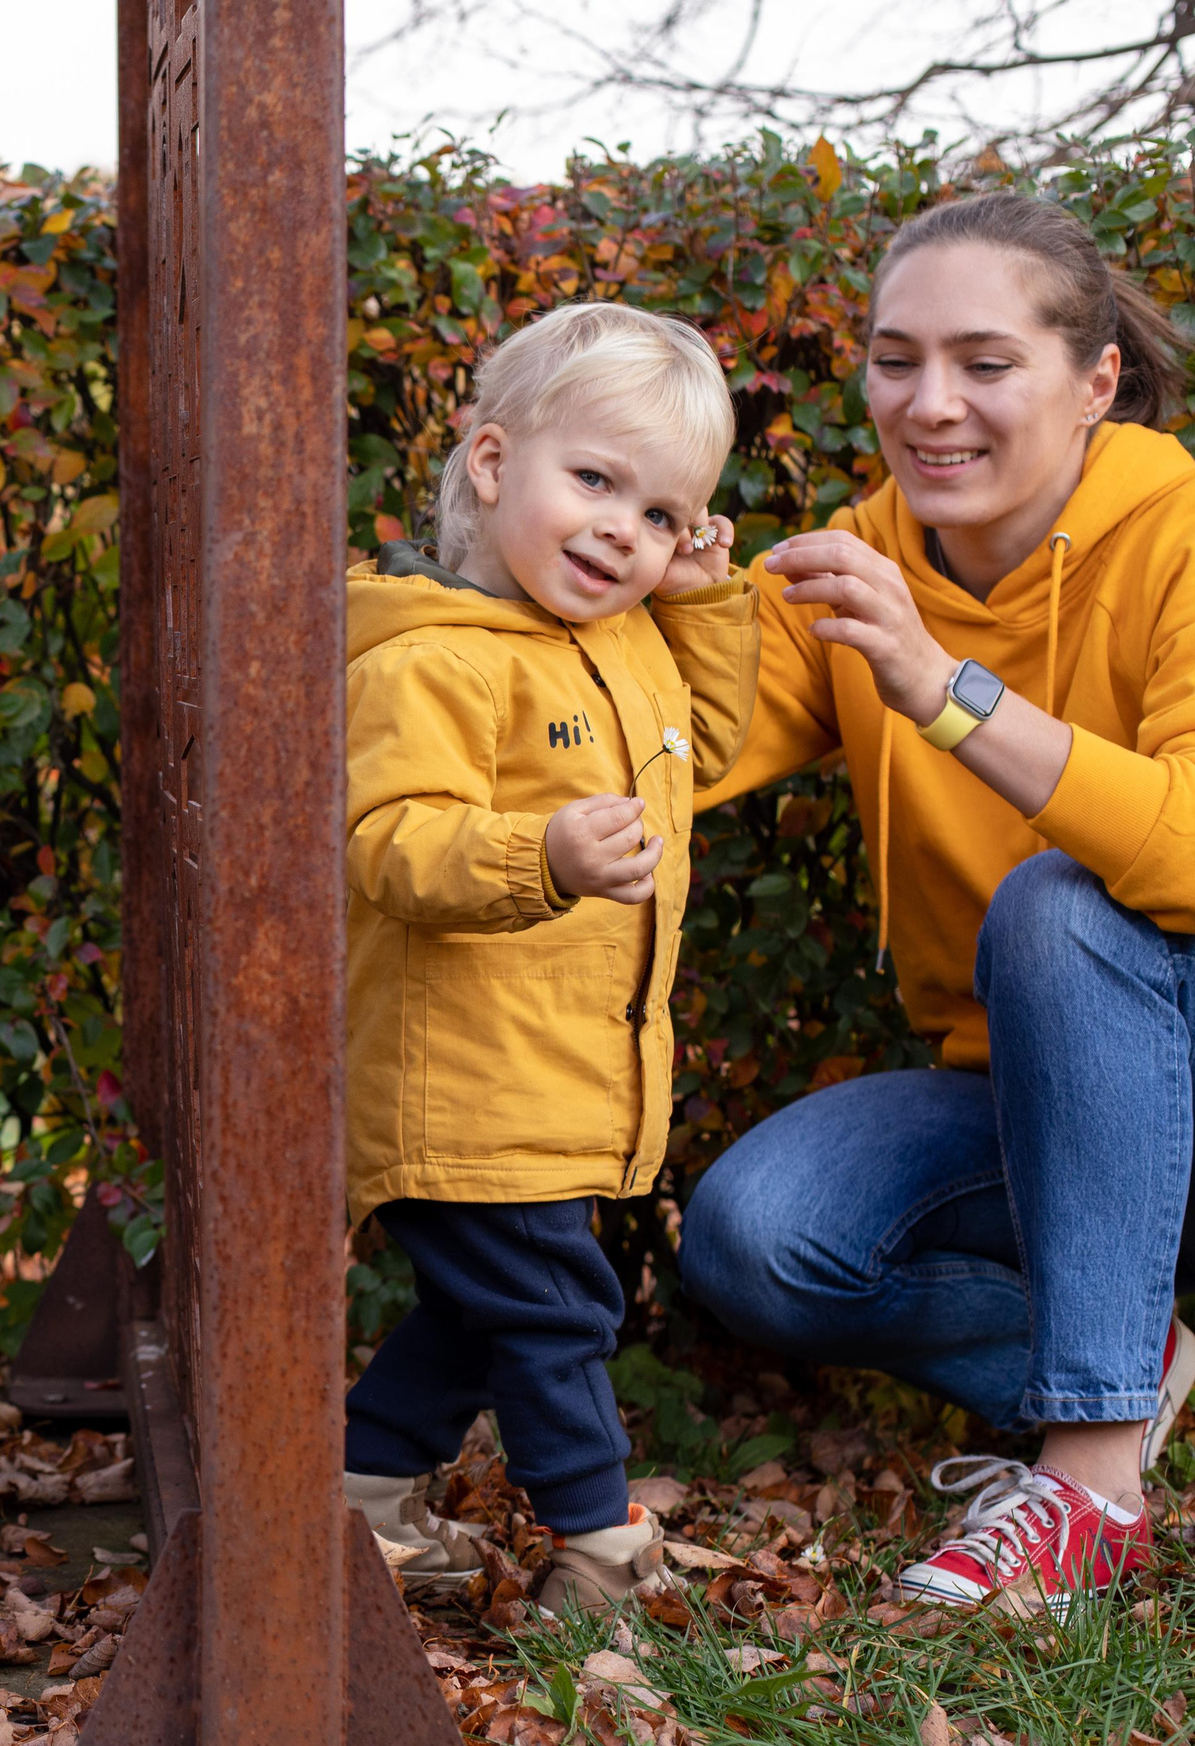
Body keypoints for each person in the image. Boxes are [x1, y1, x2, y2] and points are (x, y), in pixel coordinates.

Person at [680, 192, 1195, 1617]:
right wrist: (651, 594)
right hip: (1042, 1109)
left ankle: (1087, 1488)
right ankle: (1119, 1354)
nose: (929, 403)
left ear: (1093, 382)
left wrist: (950, 696)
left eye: (983, 360)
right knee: (758, 1236)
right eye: (895, 360)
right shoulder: (864, 562)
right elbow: (689, 750)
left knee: (1062, 903)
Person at [338, 304, 759, 1611]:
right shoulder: (433, 661)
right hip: (463, 1078)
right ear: (490, 462)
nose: (619, 530)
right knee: (562, 1314)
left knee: (483, 1316)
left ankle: (348, 1498)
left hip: (556, 1073)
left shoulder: (625, 640)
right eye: (593, 480)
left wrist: (706, 606)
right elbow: (391, 843)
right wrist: (544, 857)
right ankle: (601, 1549)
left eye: (660, 514)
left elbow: (718, 744)